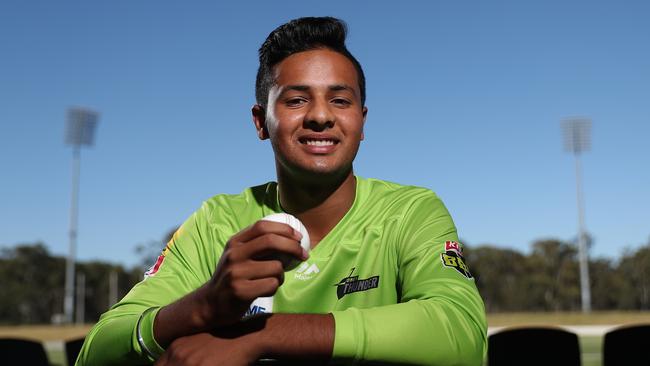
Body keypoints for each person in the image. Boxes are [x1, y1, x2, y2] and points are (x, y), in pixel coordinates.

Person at [76, 16, 487, 365]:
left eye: (340, 100)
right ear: (260, 121)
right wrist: (203, 306)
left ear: (362, 122)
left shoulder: (411, 210)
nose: (321, 116)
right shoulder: (216, 221)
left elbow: (462, 334)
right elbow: (97, 349)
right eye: (296, 100)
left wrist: (260, 335)